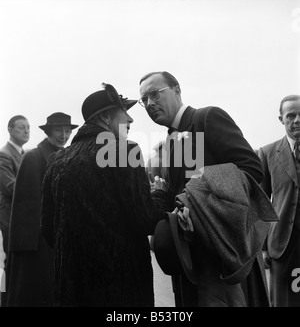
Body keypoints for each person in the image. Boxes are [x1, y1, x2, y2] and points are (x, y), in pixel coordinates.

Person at [139, 71, 271, 307]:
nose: (149, 103)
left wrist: (197, 199)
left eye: (154, 94)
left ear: (177, 90)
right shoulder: (169, 141)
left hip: (223, 255)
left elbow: (252, 168)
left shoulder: (207, 117)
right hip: (189, 257)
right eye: (144, 100)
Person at [40, 83, 169, 307]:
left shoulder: (56, 160)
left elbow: (49, 231)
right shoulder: (125, 151)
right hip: (120, 287)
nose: (130, 120)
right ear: (107, 118)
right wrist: (160, 193)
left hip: (72, 289)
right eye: (125, 113)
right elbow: (145, 217)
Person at [6, 112, 78, 307]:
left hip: (53, 239)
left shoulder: (63, 156)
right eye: (58, 130)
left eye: (67, 131)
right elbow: (26, 206)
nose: (64, 135)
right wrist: (27, 249)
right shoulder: (34, 157)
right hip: (36, 243)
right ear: (48, 132)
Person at [258, 94, 300, 307]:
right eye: (291, 115)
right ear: (281, 119)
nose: (297, 120)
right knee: (282, 301)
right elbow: (262, 202)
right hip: (282, 243)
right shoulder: (267, 153)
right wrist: (264, 246)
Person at [0, 115, 30, 254]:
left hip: (22, 218)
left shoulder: (25, 155)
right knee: (12, 262)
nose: (26, 131)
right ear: (10, 130)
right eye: (21, 127)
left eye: (28, 127)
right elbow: (10, 188)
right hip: (11, 218)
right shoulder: (4, 155)